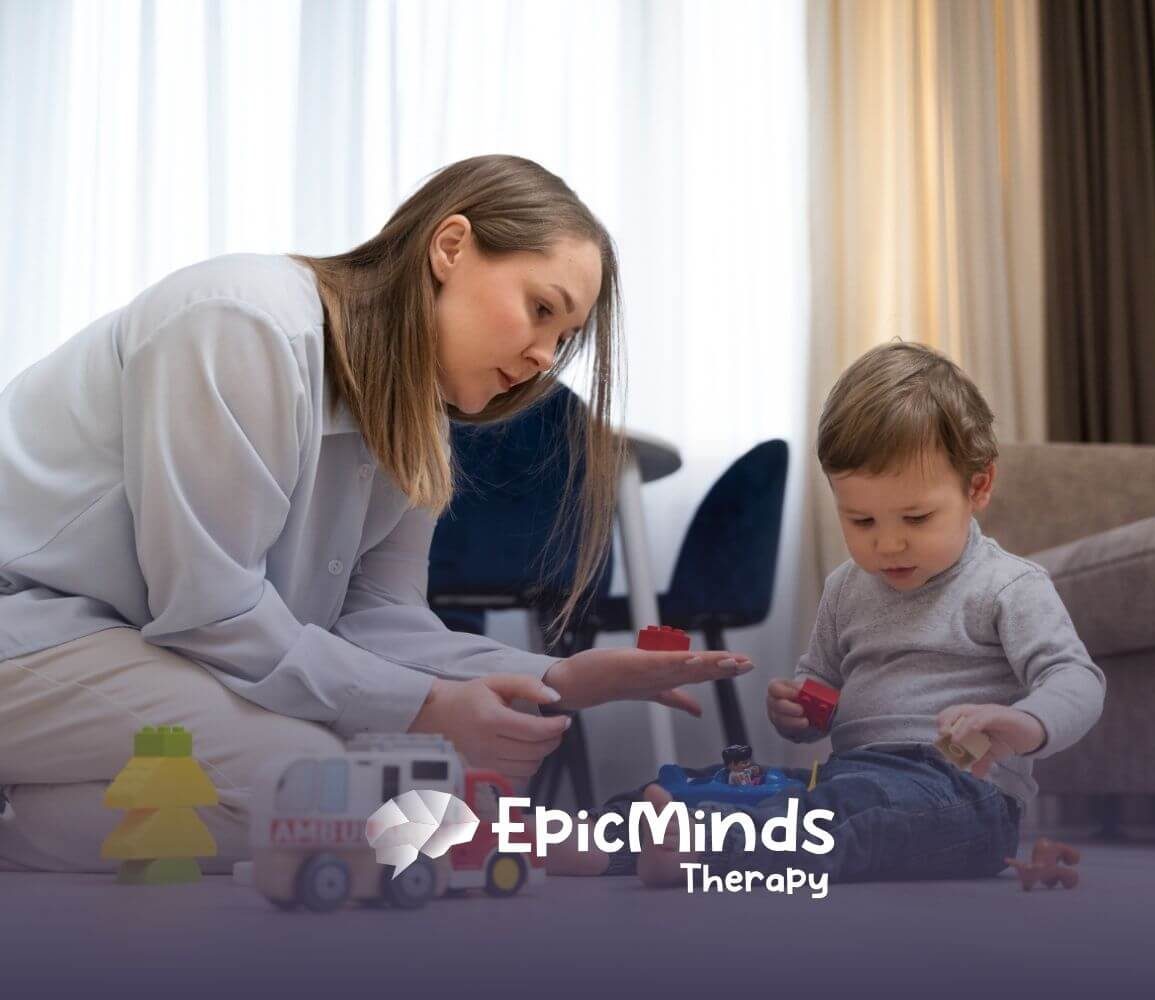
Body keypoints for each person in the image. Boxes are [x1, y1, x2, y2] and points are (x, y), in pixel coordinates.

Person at [0, 155, 752, 872]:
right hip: (33, 626)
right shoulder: (244, 325)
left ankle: (20, 809)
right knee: (316, 776)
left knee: (315, 777)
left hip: (127, 644)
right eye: (539, 309)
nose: (543, 359)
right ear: (450, 246)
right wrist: (427, 705)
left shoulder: (416, 415)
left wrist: (559, 675)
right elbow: (210, 613)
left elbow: (375, 616)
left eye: (562, 338)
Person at [551, 340, 1105, 885]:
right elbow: (821, 689)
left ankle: (700, 848)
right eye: (861, 522)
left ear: (977, 486)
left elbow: (1077, 679)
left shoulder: (1009, 585)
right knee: (732, 783)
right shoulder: (846, 587)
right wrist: (799, 712)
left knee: (839, 818)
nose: (887, 545)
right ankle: (602, 836)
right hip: (846, 776)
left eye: (915, 519)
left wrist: (1028, 724)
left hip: (965, 794)